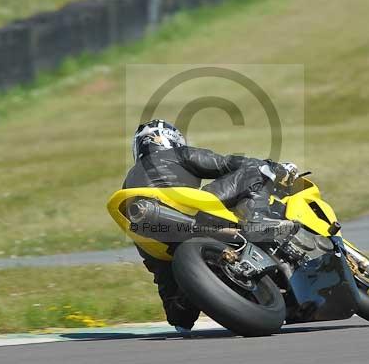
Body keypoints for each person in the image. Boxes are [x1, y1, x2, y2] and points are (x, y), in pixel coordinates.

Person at [122, 119, 298, 334]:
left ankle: (198, 290)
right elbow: (226, 164)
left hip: (152, 232)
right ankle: (257, 219)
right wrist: (275, 168)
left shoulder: (130, 179)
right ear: (172, 140)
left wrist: (183, 307)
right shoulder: (178, 154)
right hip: (193, 213)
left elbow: (176, 311)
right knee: (256, 169)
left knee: (178, 315)